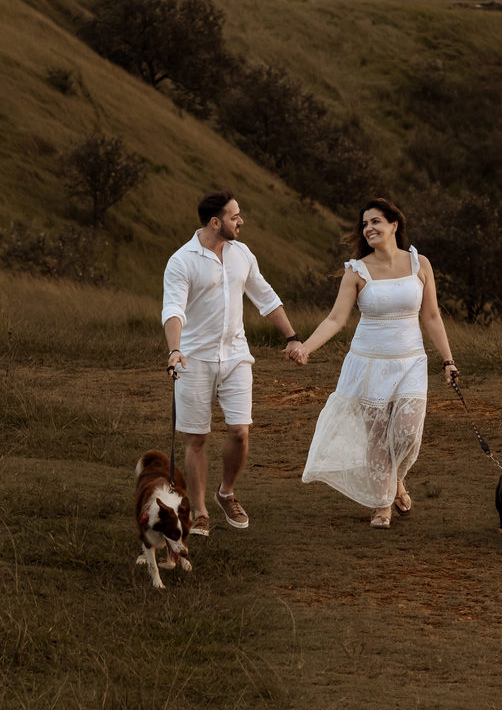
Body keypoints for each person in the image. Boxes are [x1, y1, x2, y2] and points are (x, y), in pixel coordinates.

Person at [291, 198, 459, 529]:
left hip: (411, 363)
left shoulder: (419, 263)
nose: (369, 228)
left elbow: (432, 315)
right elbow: (335, 319)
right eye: (365, 224)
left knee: (406, 435)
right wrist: (306, 348)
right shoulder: (356, 270)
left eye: (376, 221)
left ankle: (394, 480)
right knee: (378, 437)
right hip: (368, 365)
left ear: (395, 225)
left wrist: (448, 360)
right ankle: (382, 505)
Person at [162, 191, 305, 537]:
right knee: (196, 438)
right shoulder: (182, 261)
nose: (241, 222)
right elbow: (173, 310)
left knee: (240, 433)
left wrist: (292, 337)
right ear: (215, 222)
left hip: (237, 357)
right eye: (234, 216)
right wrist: (175, 350)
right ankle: (198, 511)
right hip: (193, 359)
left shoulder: (242, 254)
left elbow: (265, 297)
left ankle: (226, 492)